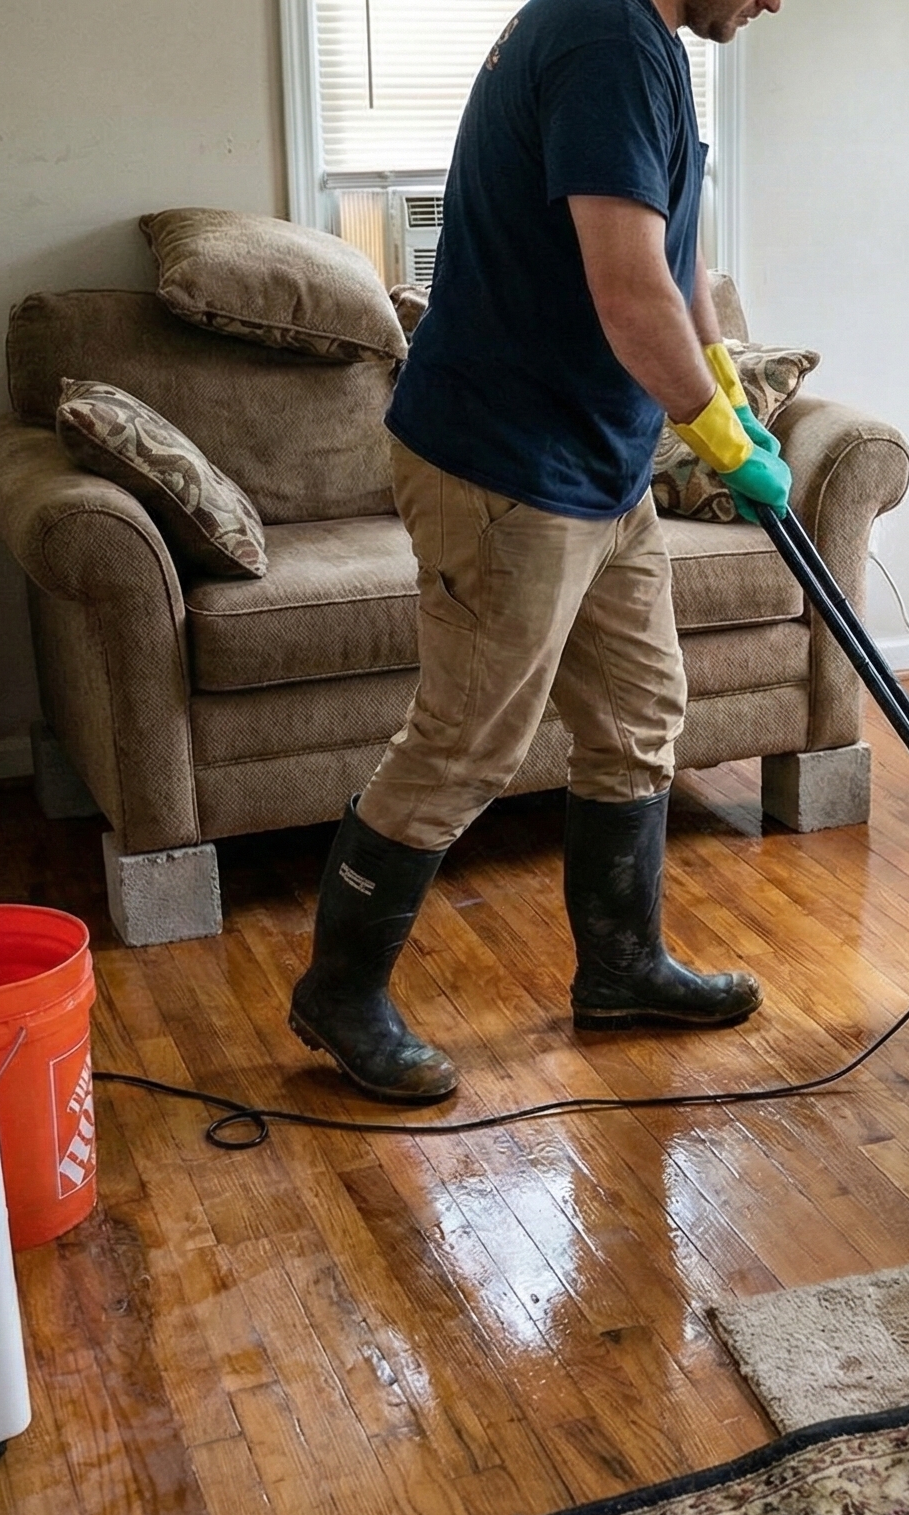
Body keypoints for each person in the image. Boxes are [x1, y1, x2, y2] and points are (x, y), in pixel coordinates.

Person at [289, 0, 791, 1103]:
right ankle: (339, 993)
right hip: (504, 464)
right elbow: (627, 290)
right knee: (466, 744)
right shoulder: (605, 38)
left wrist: (729, 389)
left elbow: (674, 255)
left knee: (638, 714)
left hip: (600, 461)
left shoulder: (650, 43)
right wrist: (714, 441)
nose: (774, 3)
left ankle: (620, 969)